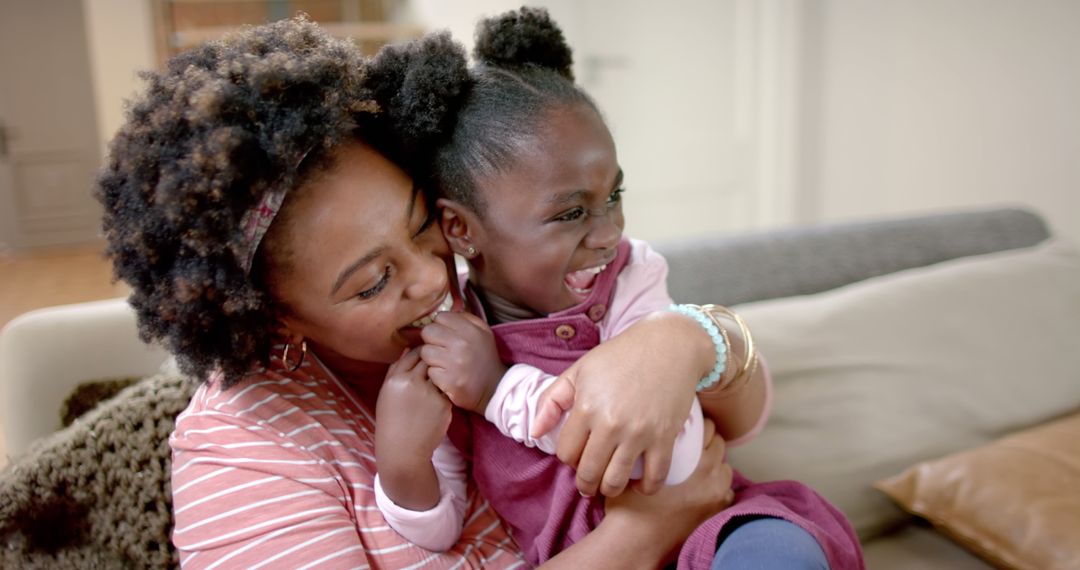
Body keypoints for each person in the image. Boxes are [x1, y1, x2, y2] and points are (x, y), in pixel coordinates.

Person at [95, 16, 737, 569]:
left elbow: (735, 410)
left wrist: (681, 340)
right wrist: (642, 534)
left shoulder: (490, 296)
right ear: (276, 321)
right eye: (374, 282)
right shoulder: (242, 457)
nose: (435, 278)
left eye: (422, 222)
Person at [373, 8, 865, 570]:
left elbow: (666, 454)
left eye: (614, 195)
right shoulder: (446, 342)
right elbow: (438, 529)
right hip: (589, 557)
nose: (609, 232)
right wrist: (403, 461)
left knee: (780, 552)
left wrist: (496, 391)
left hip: (715, 532)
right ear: (461, 228)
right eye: (571, 213)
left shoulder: (631, 278)